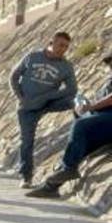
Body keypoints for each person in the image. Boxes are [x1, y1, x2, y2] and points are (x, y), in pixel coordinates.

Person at [26, 52, 112, 198]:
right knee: (78, 138)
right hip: (101, 120)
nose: (110, 66)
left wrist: (90, 108)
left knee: (81, 126)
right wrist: (82, 106)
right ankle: (52, 185)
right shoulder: (108, 81)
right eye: (109, 63)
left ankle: (67, 169)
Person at [10, 31, 78, 188]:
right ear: (51, 42)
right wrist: (20, 97)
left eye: (66, 47)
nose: (63, 49)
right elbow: (13, 76)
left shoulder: (66, 66)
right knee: (27, 141)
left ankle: (84, 135)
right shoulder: (33, 57)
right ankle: (26, 176)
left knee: (77, 101)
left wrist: (49, 96)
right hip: (27, 108)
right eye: (60, 45)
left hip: (49, 103)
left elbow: (72, 90)